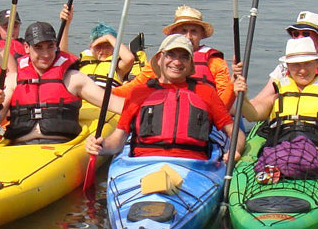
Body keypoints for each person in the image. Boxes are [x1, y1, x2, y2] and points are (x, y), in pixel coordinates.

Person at [86, 34, 235, 160]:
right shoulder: (139, 93)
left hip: (193, 166)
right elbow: (117, 140)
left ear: (190, 64)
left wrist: (236, 151)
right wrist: (101, 146)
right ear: (159, 59)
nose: (177, 62)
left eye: (184, 57)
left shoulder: (206, 93)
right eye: (171, 55)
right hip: (144, 164)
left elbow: (234, 132)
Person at [0, 21, 119, 144]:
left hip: (59, 150)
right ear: (26, 47)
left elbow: (115, 104)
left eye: (50, 47)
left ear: (56, 46)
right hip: (19, 148)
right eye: (38, 47)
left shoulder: (73, 79)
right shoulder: (13, 80)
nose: (46, 54)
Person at [235, 36, 318, 171]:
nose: (302, 70)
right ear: (288, 66)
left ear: (317, 63)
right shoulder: (278, 95)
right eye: (296, 64)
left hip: (316, 153)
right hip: (280, 150)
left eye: (307, 63)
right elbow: (252, 115)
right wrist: (243, 97)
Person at [111, 5, 235, 109]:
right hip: (165, 112)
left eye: (194, 31)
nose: (188, 37)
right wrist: (107, 91)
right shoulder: (161, 59)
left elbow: (223, 100)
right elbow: (135, 87)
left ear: (202, 35)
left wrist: (234, 84)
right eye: (183, 31)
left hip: (204, 118)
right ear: (173, 34)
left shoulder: (214, 61)